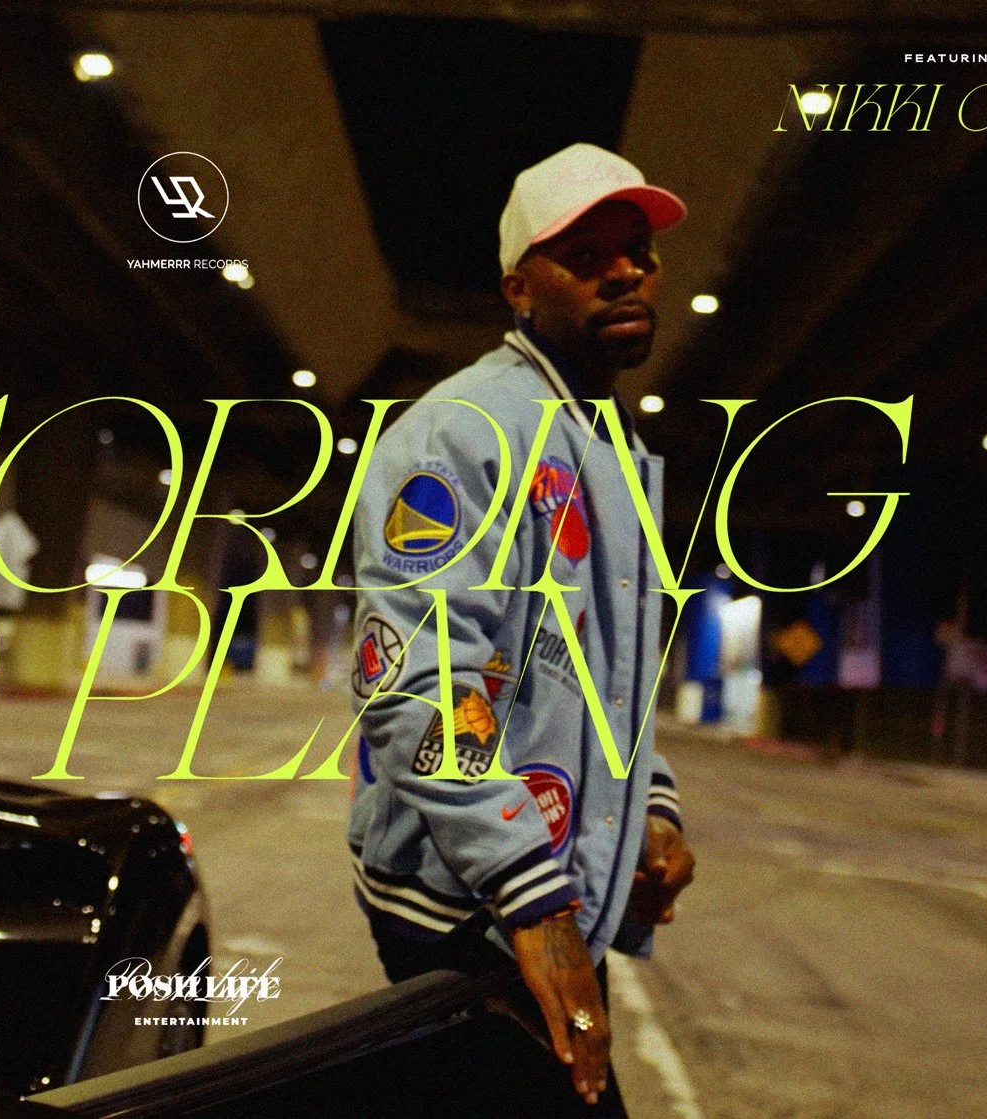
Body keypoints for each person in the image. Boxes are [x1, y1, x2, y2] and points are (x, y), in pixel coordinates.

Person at [348, 143, 697, 1114]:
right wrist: (531, 901)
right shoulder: (458, 433)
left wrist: (652, 806)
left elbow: (608, 676)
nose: (624, 269)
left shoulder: (610, 444)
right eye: (584, 254)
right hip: (469, 909)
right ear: (517, 287)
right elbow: (413, 682)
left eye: (637, 251)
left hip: (546, 891)